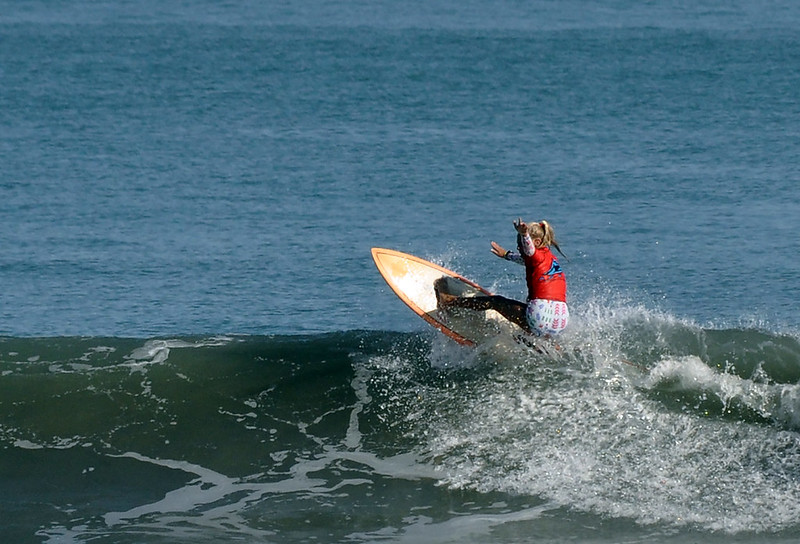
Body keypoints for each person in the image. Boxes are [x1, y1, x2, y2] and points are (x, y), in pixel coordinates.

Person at [435, 218, 568, 337]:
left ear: (537, 242)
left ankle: (448, 301)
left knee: (496, 302)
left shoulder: (533, 254)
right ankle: (547, 343)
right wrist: (506, 254)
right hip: (561, 319)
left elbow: (529, 251)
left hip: (540, 315)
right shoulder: (550, 259)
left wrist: (524, 235)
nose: (519, 247)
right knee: (531, 324)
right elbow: (525, 259)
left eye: (520, 244)